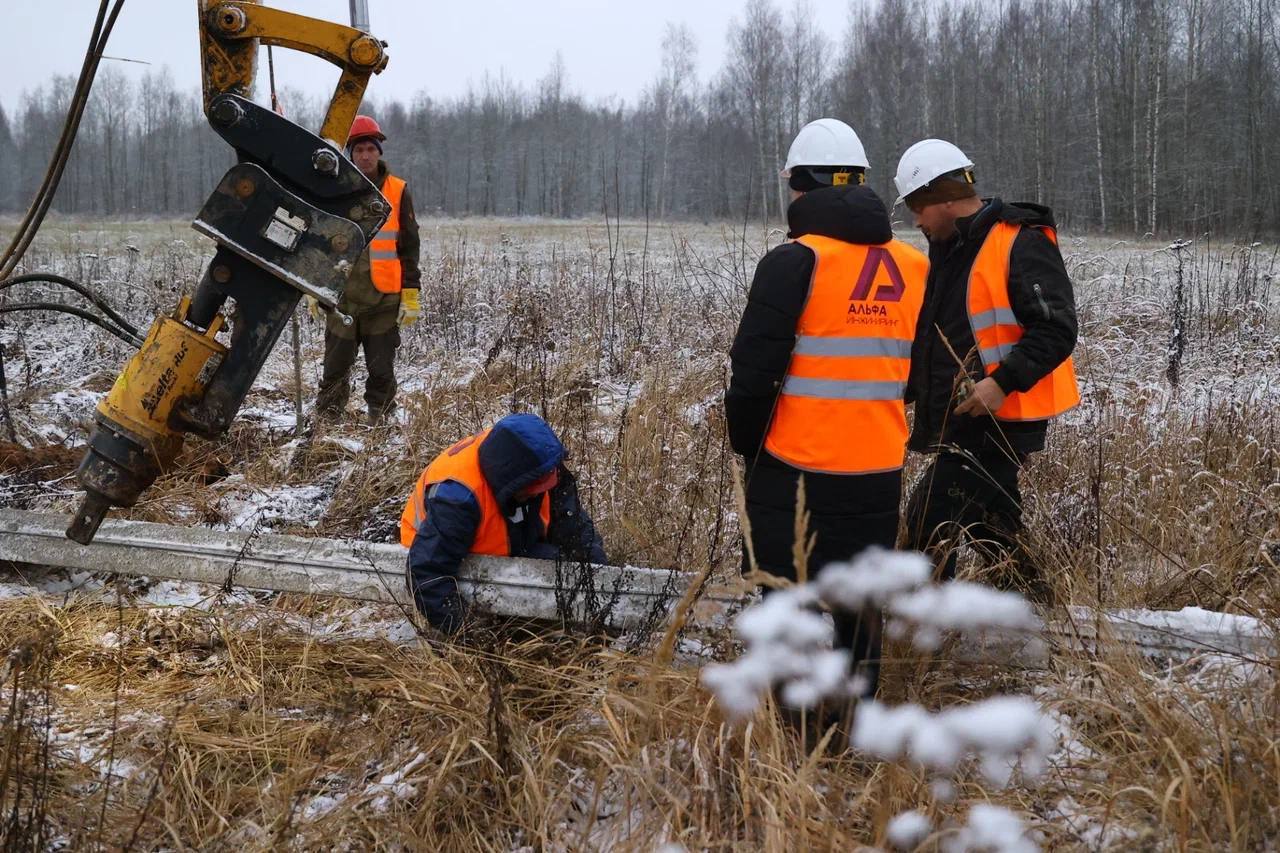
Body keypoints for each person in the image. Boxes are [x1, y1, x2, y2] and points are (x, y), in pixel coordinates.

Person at [725, 118, 928, 700]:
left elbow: (753, 375)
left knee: (786, 609)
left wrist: (748, 444)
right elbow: (917, 374)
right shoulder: (914, 267)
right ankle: (857, 727)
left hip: (794, 468)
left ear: (801, 188)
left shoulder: (794, 262)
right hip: (878, 470)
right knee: (860, 613)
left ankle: (793, 742)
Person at [893, 138, 1079, 603]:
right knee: (989, 522)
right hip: (965, 415)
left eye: (918, 206)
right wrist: (906, 389)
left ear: (948, 197)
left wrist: (1001, 382)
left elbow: (1056, 328)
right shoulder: (949, 247)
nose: (915, 219)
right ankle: (1035, 617)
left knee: (928, 515)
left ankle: (915, 628)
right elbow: (942, 333)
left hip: (1001, 417)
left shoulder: (1020, 241)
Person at [398, 413, 607, 634]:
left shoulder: (540, 464)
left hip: (507, 538)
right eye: (533, 489)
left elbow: (572, 522)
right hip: (452, 555)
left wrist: (597, 572)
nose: (542, 492)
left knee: (558, 565)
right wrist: (471, 633)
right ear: (512, 480)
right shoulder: (458, 498)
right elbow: (427, 574)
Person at [311, 114, 421, 425]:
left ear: (379, 152)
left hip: (383, 302)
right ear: (350, 154)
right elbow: (320, 242)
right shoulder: (334, 190)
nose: (365, 155)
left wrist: (410, 294)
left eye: (370, 149)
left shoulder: (398, 191)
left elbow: (409, 247)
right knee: (333, 372)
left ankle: (380, 429)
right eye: (358, 150)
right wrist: (314, 286)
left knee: (382, 372)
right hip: (341, 300)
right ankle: (326, 429)